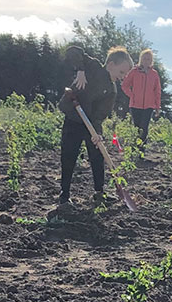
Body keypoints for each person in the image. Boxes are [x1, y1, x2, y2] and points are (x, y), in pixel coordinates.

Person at [56, 44, 133, 207]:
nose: (123, 77)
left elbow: (100, 115)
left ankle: (99, 192)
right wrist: (81, 70)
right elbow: (73, 51)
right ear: (111, 65)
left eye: (125, 75)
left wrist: (97, 133)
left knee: (97, 156)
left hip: (90, 123)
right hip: (73, 118)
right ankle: (64, 194)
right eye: (121, 72)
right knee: (69, 155)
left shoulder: (112, 91)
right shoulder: (93, 67)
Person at [120, 48, 161, 147]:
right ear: (141, 59)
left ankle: (141, 149)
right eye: (144, 58)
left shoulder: (154, 74)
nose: (146, 61)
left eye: (148, 59)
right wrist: (132, 95)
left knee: (144, 127)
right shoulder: (134, 71)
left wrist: (157, 106)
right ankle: (135, 149)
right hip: (135, 105)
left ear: (151, 61)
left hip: (149, 105)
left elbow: (157, 91)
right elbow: (124, 85)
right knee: (137, 127)